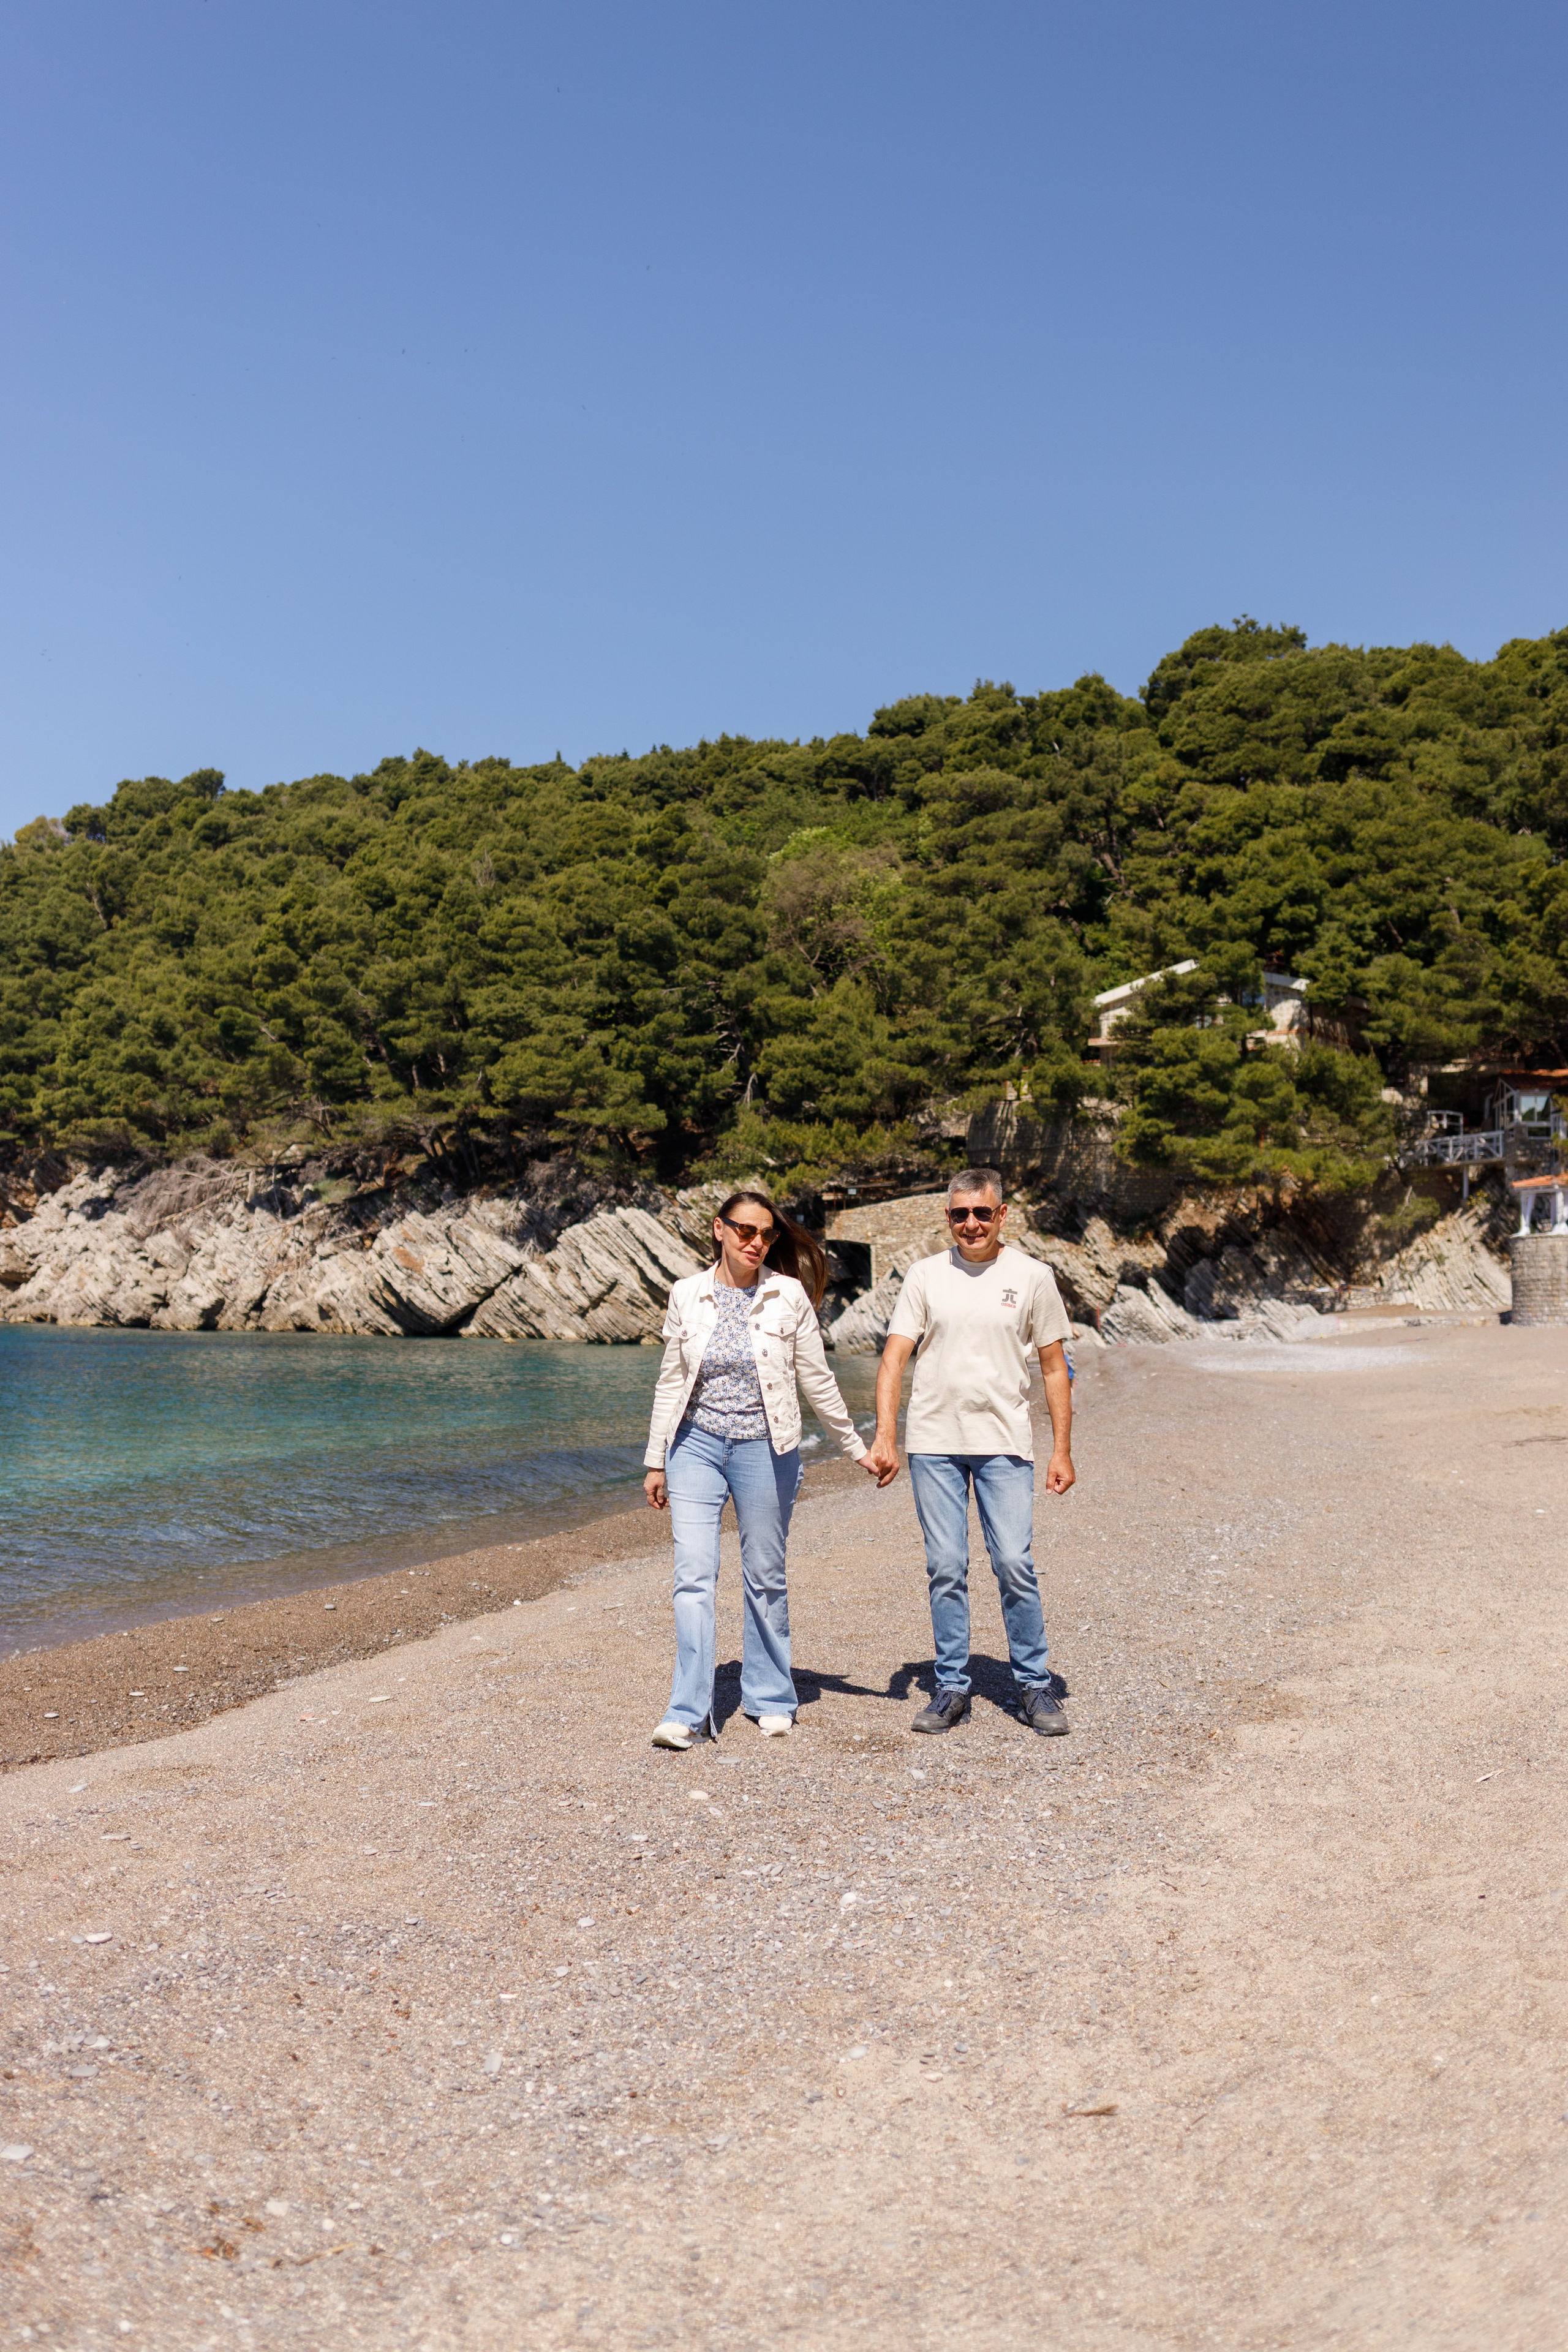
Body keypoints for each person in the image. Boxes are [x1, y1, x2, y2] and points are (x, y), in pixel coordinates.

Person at [643, 1188, 880, 1749]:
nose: (757, 1242)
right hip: (694, 1446)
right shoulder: (686, 1294)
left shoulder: (788, 1295)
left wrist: (855, 1447)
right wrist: (655, 1460)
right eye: (746, 1231)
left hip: (767, 1448)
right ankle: (688, 1711)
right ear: (719, 1230)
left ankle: (770, 1695)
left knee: (766, 1576)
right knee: (694, 1577)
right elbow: (671, 1381)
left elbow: (817, 1379)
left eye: (767, 1234)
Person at [864, 1167, 1076, 1736]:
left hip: (1005, 1443)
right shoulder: (925, 1276)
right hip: (934, 1444)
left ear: (1003, 1214)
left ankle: (1034, 1685)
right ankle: (952, 1687)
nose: (971, 1223)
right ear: (949, 1217)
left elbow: (1055, 1368)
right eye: (960, 1214)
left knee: (1013, 1563)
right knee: (947, 1568)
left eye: (982, 1212)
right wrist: (886, 1437)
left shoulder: (1033, 1277)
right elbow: (893, 1359)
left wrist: (1062, 1451)